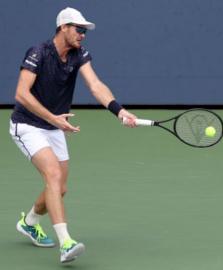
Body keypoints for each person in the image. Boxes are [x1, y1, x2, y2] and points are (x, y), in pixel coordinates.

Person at [10, 7, 137, 263]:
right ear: (63, 28)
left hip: (55, 125)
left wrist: (119, 111)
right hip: (27, 125)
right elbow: (21, 94)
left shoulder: (79, 55)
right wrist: (52, 118)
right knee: (53, 175)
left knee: (60, 187)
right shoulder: (39, 53)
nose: (82, 35)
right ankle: (66, 243)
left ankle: (29, 222)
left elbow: (96, 85)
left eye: (84, 31)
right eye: (78, 29)